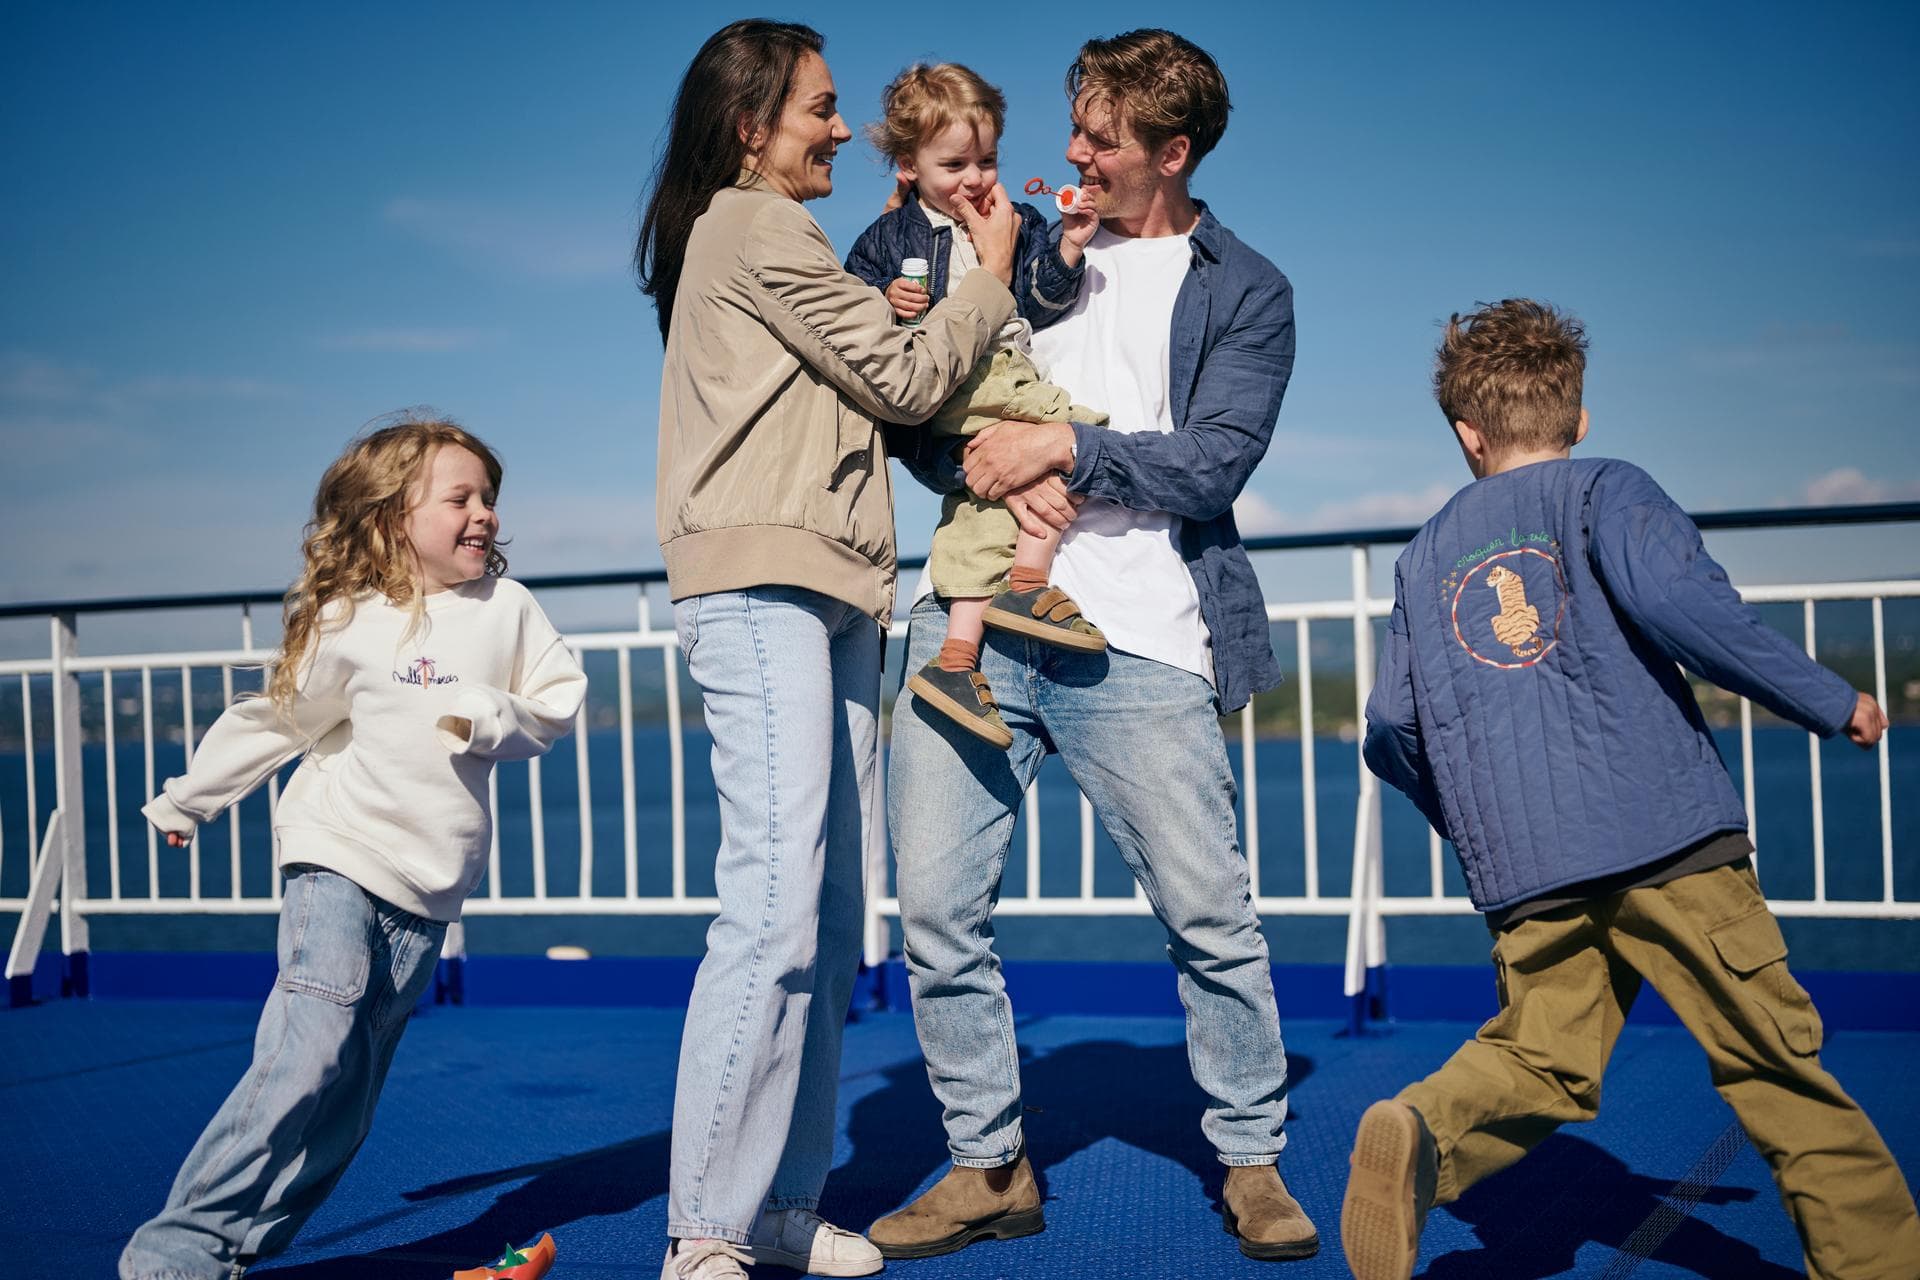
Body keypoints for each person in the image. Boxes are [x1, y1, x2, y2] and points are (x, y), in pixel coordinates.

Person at [1347, 299, 1920, 1280]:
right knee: (1773, 1065)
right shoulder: (1609, 489)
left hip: (1529, 868)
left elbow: (1392, 725)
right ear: (1579, 415)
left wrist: (1471, 820)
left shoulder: (1424, 553)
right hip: (1668, 838)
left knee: (1538, 1056)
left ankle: (1426, 1133)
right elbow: (1682, 605)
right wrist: (1832, 700)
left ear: (1467, 433)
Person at [874, 28, 1320, 1264]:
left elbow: (1213, 462)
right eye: (1075, 127)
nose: (1072, 153)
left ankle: (1251, 1158)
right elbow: (922, 408)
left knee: (1208, 913)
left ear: (1172, 153)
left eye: (1103, 138)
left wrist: (1065, 447)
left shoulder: (1249, 289)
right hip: (970, 618)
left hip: (1141, 636)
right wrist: (989, 461)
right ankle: (988, 1164)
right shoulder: (1007, 244)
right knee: (935, 911)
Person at [636, 19, 1026, 1280]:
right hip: (764, 582)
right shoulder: (752, 227)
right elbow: (905, 383)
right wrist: (990, 274)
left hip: (839, 588)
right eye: (821, 107)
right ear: (752, 126)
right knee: (772, 904)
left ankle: (782, 1205)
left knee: (828, 905)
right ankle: (706, 1226)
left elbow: (885, 374)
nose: (844, 129)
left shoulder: (779, 238)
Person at [119, 417, 587, 1280]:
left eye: (489, 498)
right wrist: (191, 797)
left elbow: (556, 700)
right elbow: (280, 719)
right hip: (336, 857)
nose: (483, 513)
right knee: (308, 1052)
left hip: (429, 894)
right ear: (392, 517)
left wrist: (491, 714)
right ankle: (174, 1252)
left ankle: (236, 1252)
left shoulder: (509, 609)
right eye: (459, 498)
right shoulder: (350, 620)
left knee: (347, 1103)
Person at [845, 62, 1105, 748]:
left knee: (980, 513)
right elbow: (850, 318)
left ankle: (957, 658)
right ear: (908, 166)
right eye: (955, 164)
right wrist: (884, 301)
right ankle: (1027, 584)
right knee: (1086, 439)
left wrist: (1068, 246)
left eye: (987, 161)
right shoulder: (889, 239)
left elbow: (1041, 300)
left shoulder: (1016, 220)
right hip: (959, 378)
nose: (975, 178)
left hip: (1006, 368)